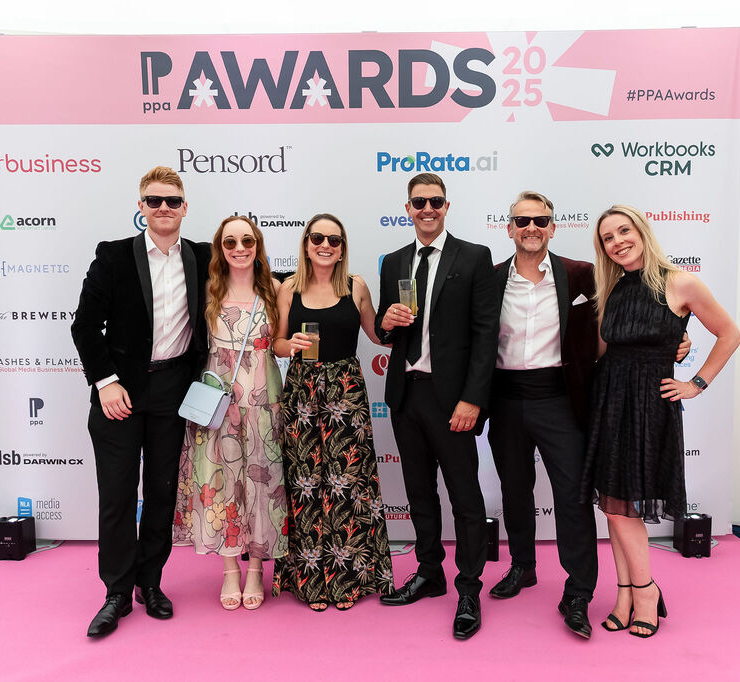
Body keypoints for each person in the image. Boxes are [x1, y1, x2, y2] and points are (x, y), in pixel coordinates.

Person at [487, 192, 690, 640]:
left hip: (561, 397)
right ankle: (522, 566)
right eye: (523, 220)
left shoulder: (584, 274)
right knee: (514, 489)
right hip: (504, 396)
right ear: (509, 227)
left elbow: (638, 315)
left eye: (541, 219)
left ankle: (578, 591)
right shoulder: (491, 277)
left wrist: (677, 338)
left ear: (553, 227)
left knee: (573, 496)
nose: (532, 227)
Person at [581, 205, 740, 638]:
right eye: (608, 238)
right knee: (613, 506)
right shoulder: (612, 288)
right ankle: (625, 594)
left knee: (625, 507)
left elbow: (730, 334)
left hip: (648, 404)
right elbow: (603, 351)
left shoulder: (680, 282)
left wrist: (697, 383)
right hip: (609, 400)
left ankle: (646, 591)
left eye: (623, 231)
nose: (617, 242)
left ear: (642, 231)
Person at [71, 166, 210, 637]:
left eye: (172, 200)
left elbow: (257, 273)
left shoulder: (203, 256)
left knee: (162, 493)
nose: (163, 208)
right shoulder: (112, 256)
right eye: (154, 200)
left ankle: (149, 582)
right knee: (116, 494)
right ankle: (115, 592)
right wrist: (105, 381)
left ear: (185, 207)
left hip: (174, 390)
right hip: (120, 392)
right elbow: (84, 326)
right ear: (141, 207)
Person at [375, 173, 499, 640]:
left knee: (465, 497)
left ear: (447, 206)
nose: (427, 208)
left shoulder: (474, 256)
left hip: (453, 400)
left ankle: (468, 588)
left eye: (435, 201)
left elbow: (486, 335)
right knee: (418, 491)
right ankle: (430, 572)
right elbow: (387, 330)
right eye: (419, 201)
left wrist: (473, 398)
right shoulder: (394, 261)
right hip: (406, 394)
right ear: (407, 208)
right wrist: (387, 323)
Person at [271, 213, 396, 611]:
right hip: (302, 391)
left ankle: (348, 582)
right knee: (305, 483)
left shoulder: (356, 286)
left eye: (334, 240)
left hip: (346, 391)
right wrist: (290, 344)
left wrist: (396, 321)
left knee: (349, 484)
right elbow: (276, 343)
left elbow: (378, 335)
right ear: (306, 244)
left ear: (342, 248)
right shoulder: (289, 287)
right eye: (318, 238)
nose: (325, 245)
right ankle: (311, 583)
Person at [172, 216, 287, 611]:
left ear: (258, 246)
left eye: (248, 241)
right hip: (217, 401)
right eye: (231, 242)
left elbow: (282, 342)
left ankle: (255, 568)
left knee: (261, 481)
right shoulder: (207, 289)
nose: (240, 249)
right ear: (220, 248)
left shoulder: (275, 289)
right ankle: (230, 571)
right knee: (220, 483)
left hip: (264, 400)